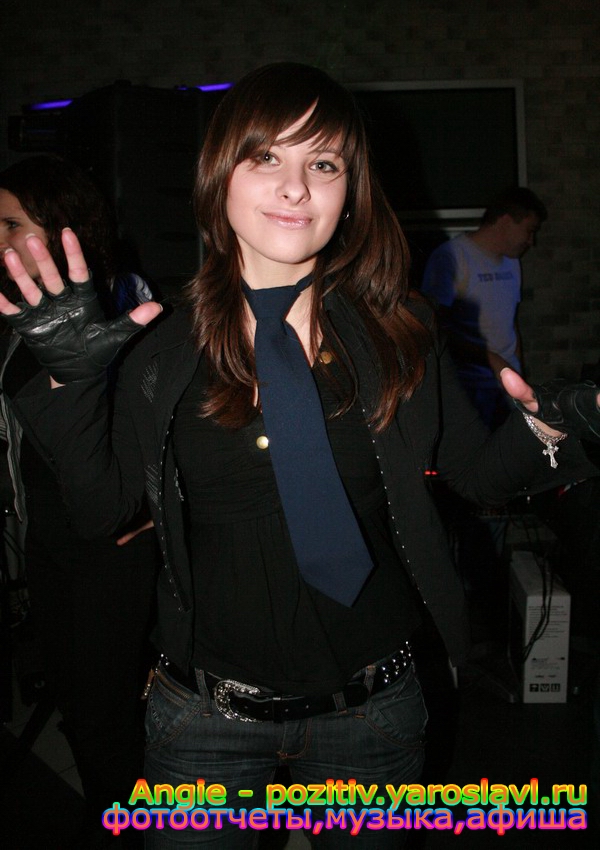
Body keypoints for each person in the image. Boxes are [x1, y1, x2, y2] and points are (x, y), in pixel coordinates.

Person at [0, 65, 598, 849]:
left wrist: (551, 430)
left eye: (323, 163)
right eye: (266, 157)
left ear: (350, 191)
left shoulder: (400, 329)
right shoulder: (159, 344)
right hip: (203, 719)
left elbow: (476, 475)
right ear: (219, 175)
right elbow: (101, 511)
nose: (295, 187)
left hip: (374, 712)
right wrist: (71, 384)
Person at [0, 155, 159, 845]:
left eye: (12, 223)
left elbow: (164, 423)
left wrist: (155, 507)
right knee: (80, 706)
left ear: (60, 224)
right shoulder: (15, 306)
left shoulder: (117, 301)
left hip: (108, 547)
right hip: (49, 535)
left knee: (105, 717)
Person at [421, 187, 547, 429]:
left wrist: (518, 371)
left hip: (508, 387)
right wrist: (493, 361)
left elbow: (510, 322)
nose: (531, 241)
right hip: (468, 389)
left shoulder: (512, 262)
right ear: (506, 221)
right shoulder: (451, 256)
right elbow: (434, 326)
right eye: (529, 231)